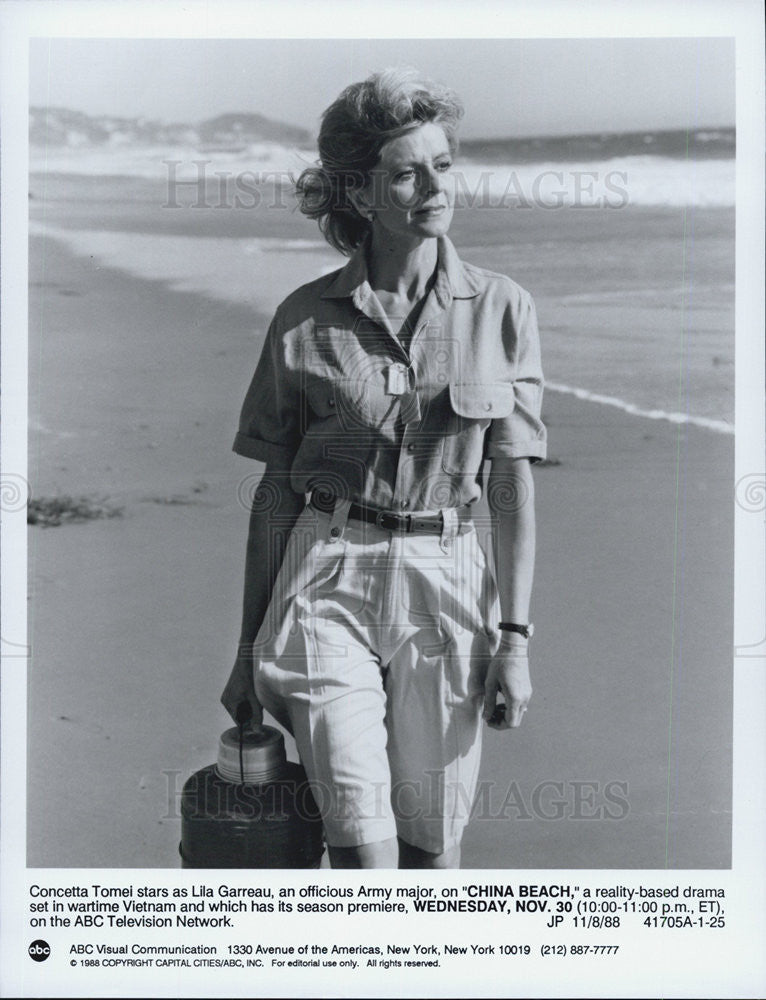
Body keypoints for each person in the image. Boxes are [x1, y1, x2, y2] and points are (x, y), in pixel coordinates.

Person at [221, 67, 547, 869]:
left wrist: (516, 639)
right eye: (407, 172)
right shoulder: (303, 320)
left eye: (443, 163)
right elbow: (273, 494)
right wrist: (242, 649)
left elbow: (510, 488)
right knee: (365, 859)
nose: (436, 186)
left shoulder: (504, 308)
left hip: (449, 581)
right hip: (328, 575)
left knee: (429, 855)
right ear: (361, 196)